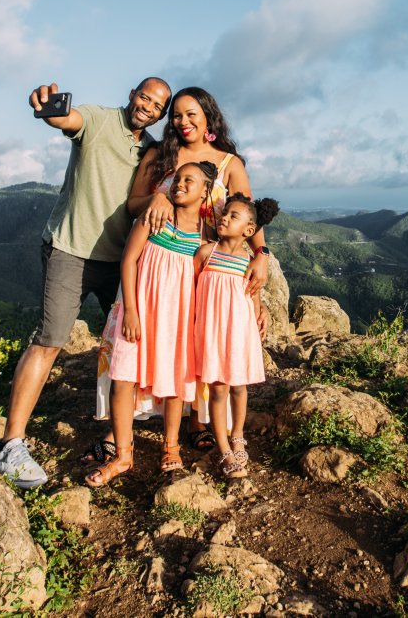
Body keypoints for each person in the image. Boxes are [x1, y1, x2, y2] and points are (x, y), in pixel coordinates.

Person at [0, 77, 171, 488]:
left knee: (129, 345)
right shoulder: (98, 119)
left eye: (158, 106)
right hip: (70, 250)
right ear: (132, 94)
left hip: (121, 259)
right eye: (145, 97)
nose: (148, 107)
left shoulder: (154, 152)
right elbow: (66, 119)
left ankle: (116, 432)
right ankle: (11, 443)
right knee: (50, 339)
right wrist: (49, 109)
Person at [88, 87, 271, 454]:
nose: (183, 121)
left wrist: (261, 253)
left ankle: (196, 419)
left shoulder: (229, 164)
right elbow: (133, 203)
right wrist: (157, 195)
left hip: (204, 266)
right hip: (157, 259)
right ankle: (122, 427)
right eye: (176, 115)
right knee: (138, 346)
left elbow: (245, 212)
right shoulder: (161, 154)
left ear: (208, 117)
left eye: (192, 114)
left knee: (189, 344)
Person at [85, 161, 216, 486]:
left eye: (190, 180)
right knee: (124, 378)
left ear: (205, 192)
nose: (180, 183)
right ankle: (123, 454)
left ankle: (170, 446)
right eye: (177, 178)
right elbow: (129, 260)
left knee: (175, 383)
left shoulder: (204, 235)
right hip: (140, 313)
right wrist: (130, 310)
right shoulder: (155, 217)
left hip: (178, 320)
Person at [194, 193, 280, 478]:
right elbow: (191, 289)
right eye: (225, 213)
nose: (225, 218)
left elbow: (253, 297)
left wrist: (259, 317)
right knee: (218, 390)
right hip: (211, 332)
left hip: (238, 333)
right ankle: (223, 448)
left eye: (234, 216)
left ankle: (238, 434)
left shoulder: (249, 261)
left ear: (249, 231)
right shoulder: (206, 253)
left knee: (239, 387)